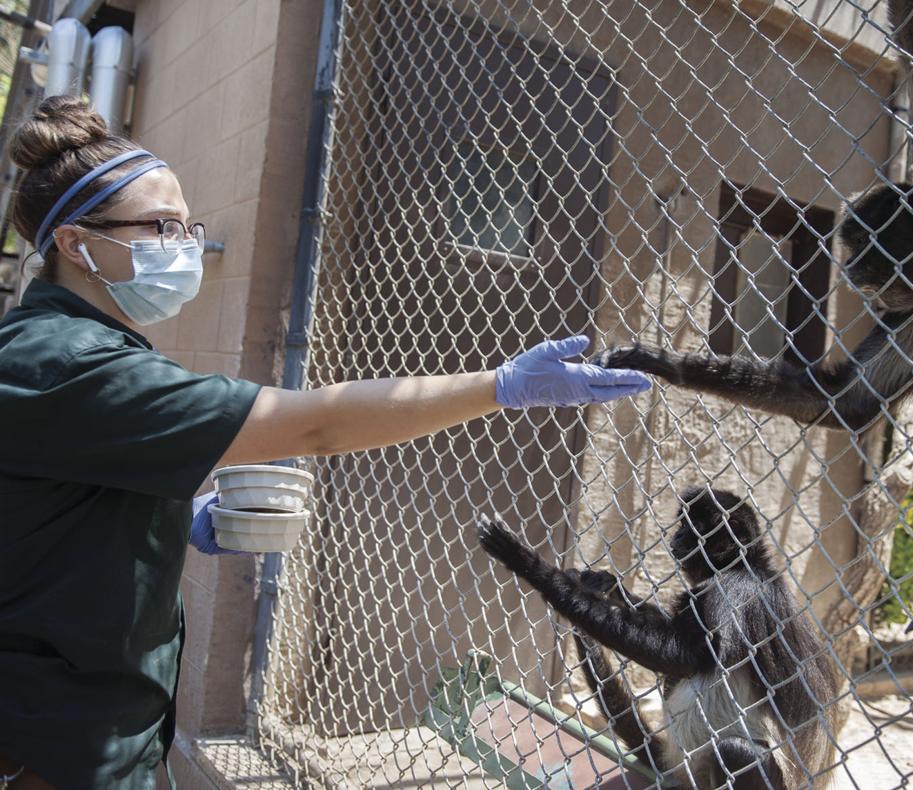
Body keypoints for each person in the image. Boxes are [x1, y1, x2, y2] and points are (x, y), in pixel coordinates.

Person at [0, 96, 650, 789]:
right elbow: (316, 422)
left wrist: (170, 518)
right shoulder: (69, 364)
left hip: (71, 724)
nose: (186, 245)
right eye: (161, 227)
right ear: (75, 244)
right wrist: (500, 387)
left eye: (187, 226)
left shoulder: (63, 350)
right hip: (55, 743)